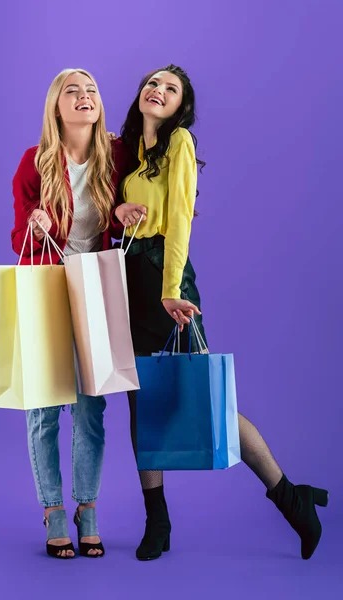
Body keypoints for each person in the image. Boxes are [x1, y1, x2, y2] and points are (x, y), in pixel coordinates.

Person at [111, 64, 329, 562]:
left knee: (201, 399)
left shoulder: (179, 143)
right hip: (129, 281)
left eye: (170, 88)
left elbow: (181, 220)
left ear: (180, 105)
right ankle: (157, 522)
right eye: (153, 82)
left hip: (165, 279)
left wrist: (170, 289)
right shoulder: (132, 151)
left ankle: (291, 498)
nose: (158, 89)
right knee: (140, 403)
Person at [11, 68, 124, 559]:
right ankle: (53, 509)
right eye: (72, 92)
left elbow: (125, 208)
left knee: (91, 405)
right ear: (56, 107)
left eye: (92, 90)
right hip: (49, 287)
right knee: (43, 407)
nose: (84, 97)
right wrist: (34, 224)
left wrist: (125, 213)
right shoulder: (35, 163)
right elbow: (18, 239)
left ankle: (88, 508)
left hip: (95, 288)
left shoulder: (115, 157)